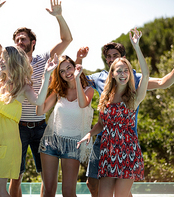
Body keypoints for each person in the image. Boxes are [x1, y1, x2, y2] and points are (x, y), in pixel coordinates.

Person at [0, 0, 73, 196]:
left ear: (32, 42)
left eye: (23, 39)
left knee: (47, 178)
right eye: (16, 40)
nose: (19, 42)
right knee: (16, 178)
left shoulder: (44, 59)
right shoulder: (8, 60)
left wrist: (58, 16)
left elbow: (67, 39)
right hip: (16, 128)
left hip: (41, 126)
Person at [84, 30, 174, 197]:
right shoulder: (101, 82)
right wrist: (78, 60)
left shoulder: (134, 85)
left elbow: (160, 81)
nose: (112, 59)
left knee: (121, 193)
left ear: (124, 59)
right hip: (105, 145)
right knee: (96, 187)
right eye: (108, 56)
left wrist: (137, 46)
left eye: (115, 55)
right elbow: (73, 79)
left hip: (126, 145)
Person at [0, 46, 59, 197]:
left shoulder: (23, 85)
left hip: (6, 140)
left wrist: (47, 74)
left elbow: (39, 101)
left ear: (13, 60)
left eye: (3, 58)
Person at [77, 28, 148, 197]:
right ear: (113, 73)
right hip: (107, 150)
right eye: (119, 71)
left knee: (121, 194)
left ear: (129, 73)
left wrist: (137, 47)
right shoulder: (105, 97)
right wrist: (89, 133)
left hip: (128, 150)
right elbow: (102, 123)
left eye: (126, 71)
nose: (123, 74)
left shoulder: (134, 97)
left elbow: (145, 74)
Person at [36, 53, 94, 197]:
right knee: (48, 191)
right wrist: (46, 74)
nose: (67, 73)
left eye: (69, 68)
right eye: (62, 71)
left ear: (75, 67)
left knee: (68, 193)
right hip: (51, 141)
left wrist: (77, 79)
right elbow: (39, 110)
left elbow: (82, 104)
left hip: (74, 144)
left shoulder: (88, 90)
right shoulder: (59, 91)